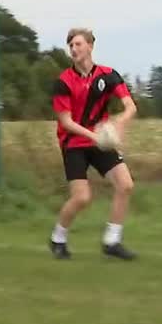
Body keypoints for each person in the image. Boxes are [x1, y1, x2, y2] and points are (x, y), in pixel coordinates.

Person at [49, 27, 137, 261]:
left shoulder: (108, 75)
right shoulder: (63, 82)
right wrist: (93, 136)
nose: (74, 49)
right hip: (74, 143)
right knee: (82, 198)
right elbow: (65, 121)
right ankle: (58, 238)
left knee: (125, 184)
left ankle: (112, 241)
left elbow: (130, 107)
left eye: (78, 44)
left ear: (90, 46)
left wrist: (120, 122)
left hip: (100, 141)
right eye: (71, 46)